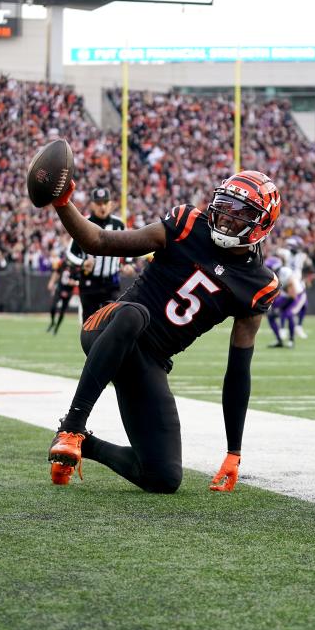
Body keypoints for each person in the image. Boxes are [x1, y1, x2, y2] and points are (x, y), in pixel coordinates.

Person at [43, 168, 281, 493]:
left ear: (261, 225)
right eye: (224, 205)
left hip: (149, 362)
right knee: (135, 314)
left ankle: (84, 445)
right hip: (109, 326)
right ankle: (71, 427)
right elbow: (96, 240)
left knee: (163, 477)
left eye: (240, 214)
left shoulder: (258, 285)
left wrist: (233, 451)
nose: (226, 217)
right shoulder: (186, 224)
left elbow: (238, 371)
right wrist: (62, 203)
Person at [65, 186, 127, 319]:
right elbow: (70, 253)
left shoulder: (119, 225)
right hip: (89, 283)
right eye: (98, 204)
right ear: (92, 204)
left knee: (112, 323)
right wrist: (82, 263)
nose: (102, 207)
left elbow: (128, 247)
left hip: (111, 282)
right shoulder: (83, 223)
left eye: (105, 203)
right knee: (89, 325)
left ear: (111, 204)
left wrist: (129, 263)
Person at [45, 255, 78, 335]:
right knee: (52, 307)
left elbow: (78, 280)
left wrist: (72, 282)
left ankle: (56, 328)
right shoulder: (63, 263)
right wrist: (52, 282)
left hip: (68, 291)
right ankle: (52, 322)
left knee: (62, 311)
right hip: (60, 289)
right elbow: (57, 272)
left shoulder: (77, 266)